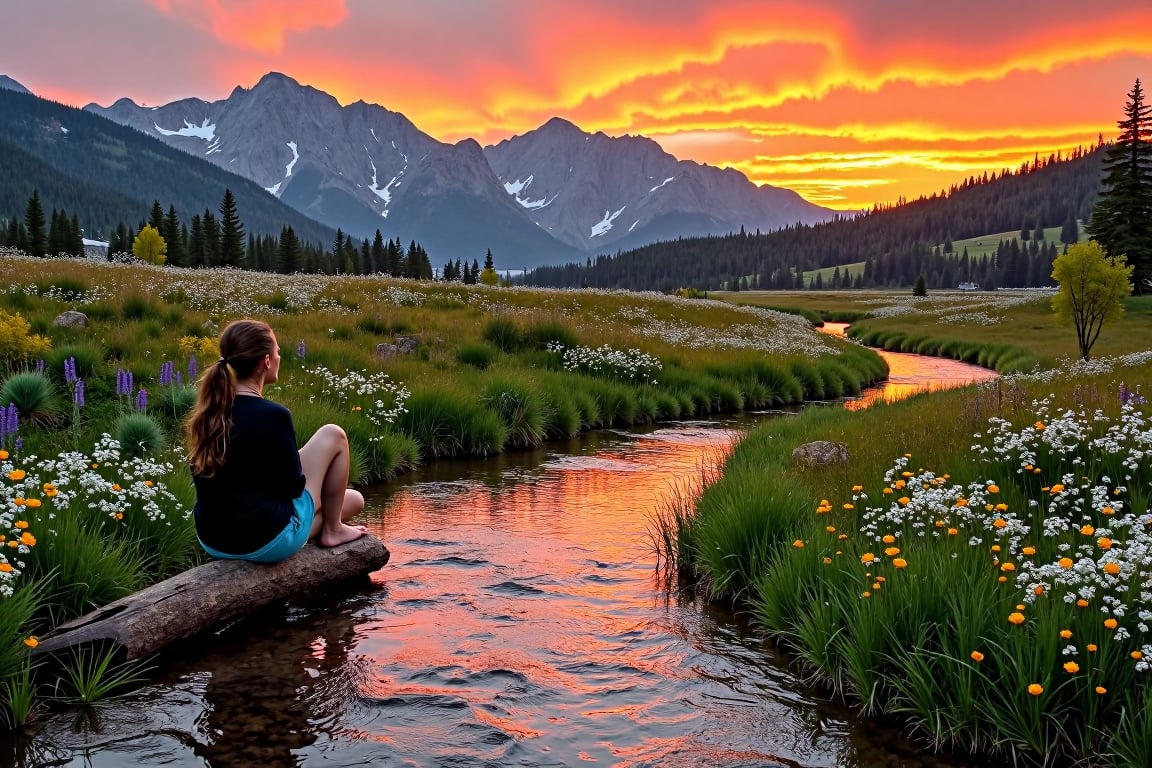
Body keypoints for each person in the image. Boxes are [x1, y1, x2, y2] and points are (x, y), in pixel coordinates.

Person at [185, 319, 367, 563]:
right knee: (334, 434)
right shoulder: (273, 415)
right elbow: (293, 488)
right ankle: (333, 530)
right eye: (277, 352)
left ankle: (331, 525)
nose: (280, 357)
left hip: (214, 541)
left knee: (353, 499)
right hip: (263, 541)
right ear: (266, 361)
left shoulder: (210, 413)